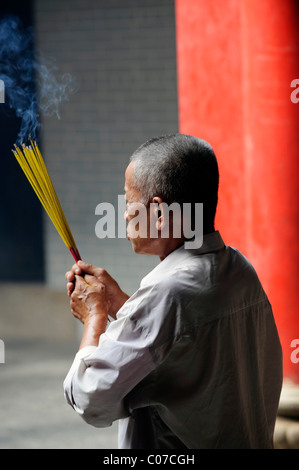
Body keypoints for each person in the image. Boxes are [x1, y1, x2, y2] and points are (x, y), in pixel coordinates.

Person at [63, 134, 282, 449]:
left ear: (159, 212)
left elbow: (89, 397)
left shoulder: (168, 292)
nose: (124, 215)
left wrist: (95, 315)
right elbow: (181, 343)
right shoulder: (239, 269)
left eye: (128, 201)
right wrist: (124, 306)